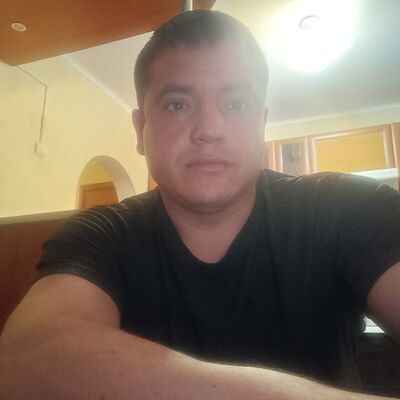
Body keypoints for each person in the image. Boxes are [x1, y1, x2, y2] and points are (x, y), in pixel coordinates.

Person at [0, 9, 399, 400]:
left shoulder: (349, 209)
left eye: (236, 103)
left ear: (261, 123)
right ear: (141, 130)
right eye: (177, 104)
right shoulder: (100, 234)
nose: (209, 130)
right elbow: (28, 360)